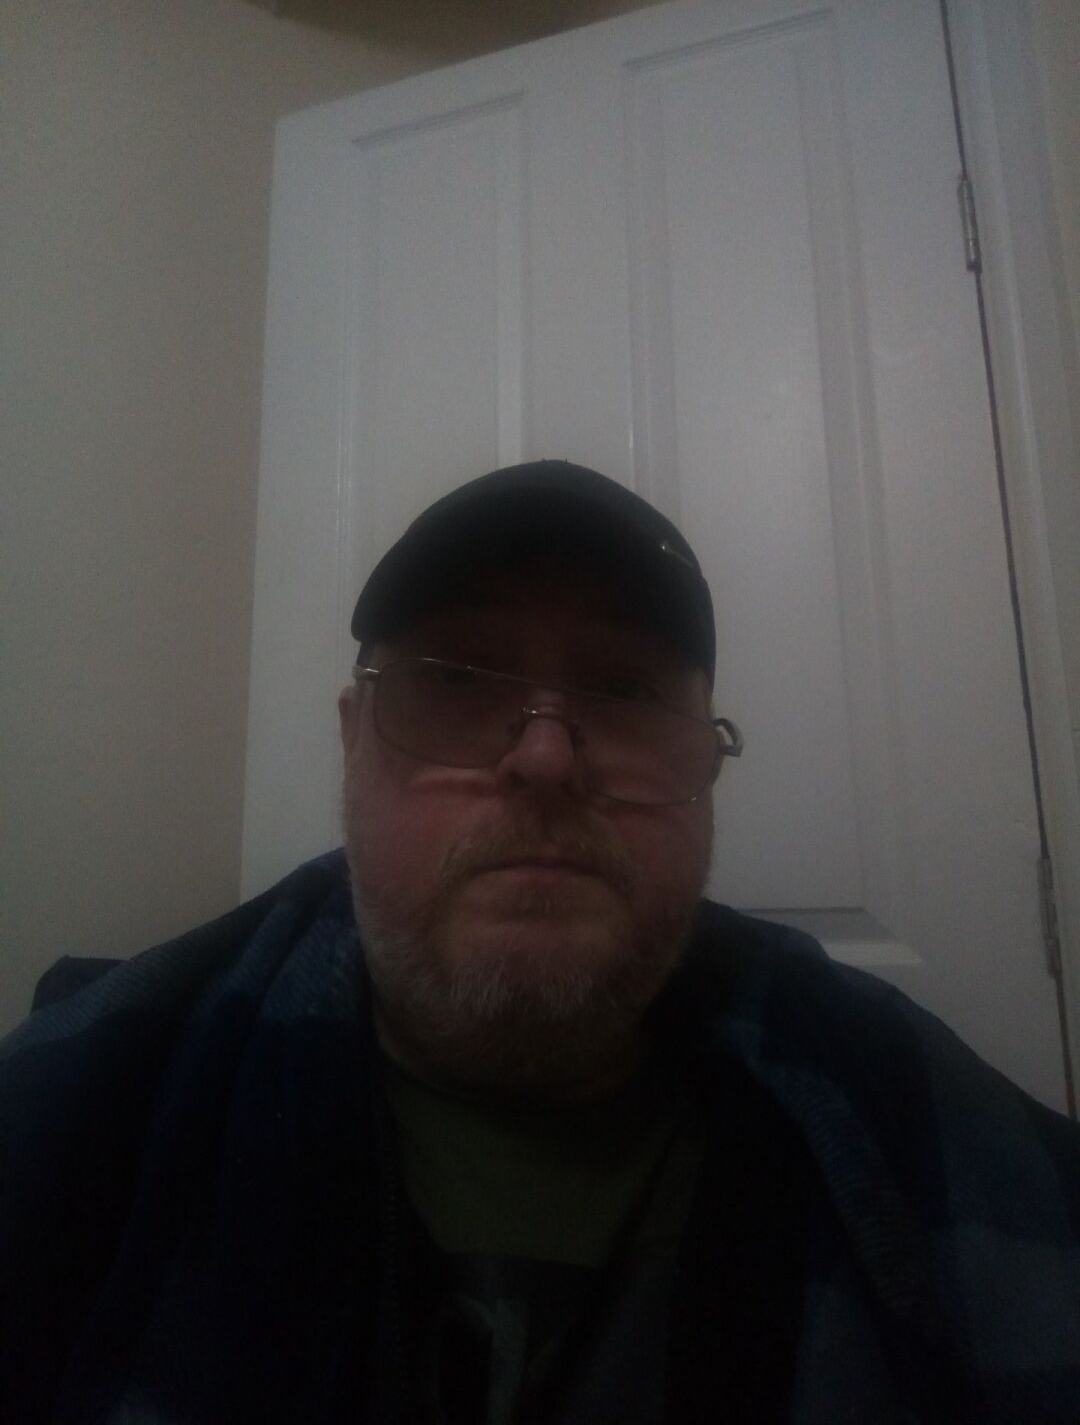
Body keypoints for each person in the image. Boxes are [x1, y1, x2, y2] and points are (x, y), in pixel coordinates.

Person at [2, 459, 1079, 1425]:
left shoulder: (914, 1117)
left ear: (708, 770)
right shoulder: (77, 1111)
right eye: (459, 680)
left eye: (624, 690)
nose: (549, 760)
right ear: (352, 742)